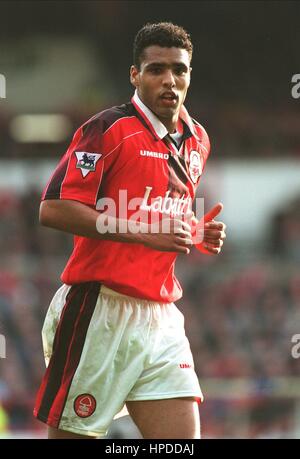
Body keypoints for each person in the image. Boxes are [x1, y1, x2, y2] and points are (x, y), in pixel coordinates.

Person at [33, 22, 226, 439]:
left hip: (161, 317)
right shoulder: (108, 129)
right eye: (156, 69)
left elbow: (157, 211)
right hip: (97, 308)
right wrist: (144, 232)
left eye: (179, 70)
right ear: (135, 75)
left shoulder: (198, 141)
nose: (169, 80)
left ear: (190, 75)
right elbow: (54, 209)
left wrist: (194, 232)